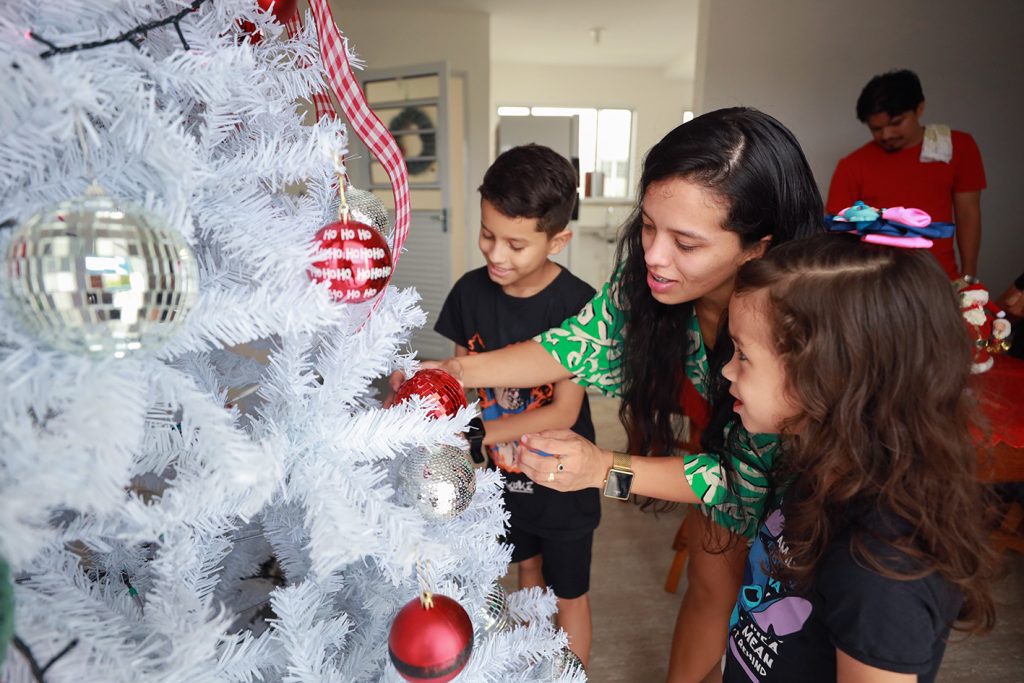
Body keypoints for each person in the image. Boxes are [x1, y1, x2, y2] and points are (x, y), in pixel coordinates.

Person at [412, 107, 825, 682]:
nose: (654, 256)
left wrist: (604, 467)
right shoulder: (652, 290)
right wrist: (452, 372)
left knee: (773, 632)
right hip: (731, 473)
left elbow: (739, 477)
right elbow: (567, 346)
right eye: (649, 226)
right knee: (712, 573)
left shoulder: (799, 330)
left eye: (686, 242)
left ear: (758, 246)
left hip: (813, 506)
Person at [715, 234, 997, 681]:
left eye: (744, 355)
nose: (727, 370)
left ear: (827, 377)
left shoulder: (881, 570)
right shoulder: (821, 468)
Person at [432, 144, 600, 666]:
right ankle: (531, 673)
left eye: (516, 244)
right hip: (501, 476)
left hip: (561, 477)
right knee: (526, 576)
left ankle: (569, 677)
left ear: (558, 240)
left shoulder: (578, 305)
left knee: (568, 593)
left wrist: (483, 437)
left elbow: (563, 413)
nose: (495, 255)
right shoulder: (468, 293)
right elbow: (462, 384)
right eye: (487, 234)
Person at [826, 69, 986, 281]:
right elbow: (836, 232)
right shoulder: (852, 165)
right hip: (877, 283)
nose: (886, 135)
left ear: (919, 108)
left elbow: (968, 213)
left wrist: (968, 277)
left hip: (940, 278)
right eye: (876, 129)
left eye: (896, 123)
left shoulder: (957, 147)